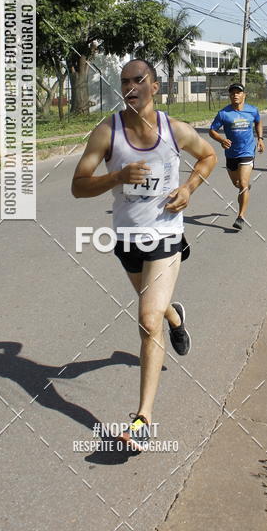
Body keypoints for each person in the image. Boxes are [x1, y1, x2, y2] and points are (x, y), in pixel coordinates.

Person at [71, 59, 217, 452]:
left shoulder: (175, 130)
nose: (131, 87)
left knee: (146, 319)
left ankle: (142, 419)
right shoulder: (107, 132)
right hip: (127, 240)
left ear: (154, 86)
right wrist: (116, 177)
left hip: (167, 235)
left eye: (139, 81)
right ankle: (175, 314)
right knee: (155, 310)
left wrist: (189, 189)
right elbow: (79, 186)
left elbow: (208, 157)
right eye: (125, 82)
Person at [209, 83, 264, 230]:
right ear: (230, 96)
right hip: (231, 154)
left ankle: (240, 216)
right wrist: (221, 140)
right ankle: (243, 186)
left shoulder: (252, 110)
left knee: (244, 185)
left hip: (247, 151)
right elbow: (212, 130)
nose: (235, 95)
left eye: (238, 92)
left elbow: (258, 122)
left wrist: (260, 139)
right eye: (232, 93)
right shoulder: (224, 113)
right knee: (237, 184)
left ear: (244, 95)